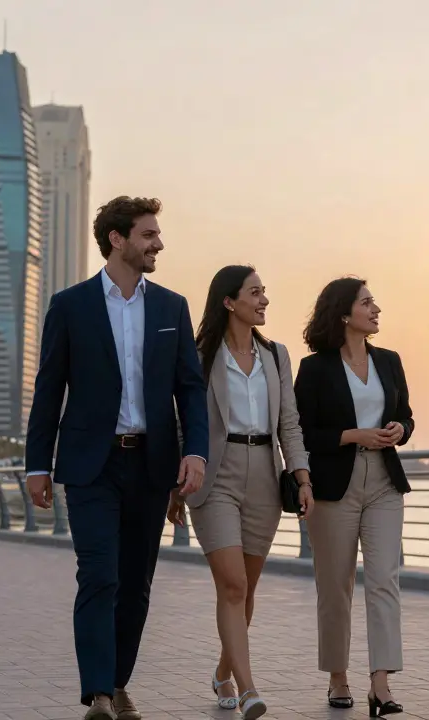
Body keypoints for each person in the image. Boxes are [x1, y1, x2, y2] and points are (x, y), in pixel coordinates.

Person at [24, 196, 209, 720]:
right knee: (99, 575)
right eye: (149, 234)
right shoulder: (71, 305)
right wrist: (38, 463)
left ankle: (118, 680)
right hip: (91, 464)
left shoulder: (172, 307)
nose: (159, 244)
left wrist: (195, 451)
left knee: (136, 585)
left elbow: (190, 390)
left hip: (151, 465)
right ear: (117, 239)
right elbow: (48, 389)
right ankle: (100, 694)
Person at [167, 265, 313, 719]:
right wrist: (176, 483)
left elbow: (289, 420)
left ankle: (223, 670)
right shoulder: (199, 354)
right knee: (231, 583)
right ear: (230, 302)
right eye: (255, 292)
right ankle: (248, 688)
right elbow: (182, 419)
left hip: (266, 476)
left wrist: (302, 476)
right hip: (216, 472)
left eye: (264, 291)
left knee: (246, 589)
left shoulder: (276, 355)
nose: (264, 299)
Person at [293, 277, 414, 717]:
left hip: (385, 480)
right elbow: (301, 432)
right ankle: (337, 676)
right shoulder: (315, 368)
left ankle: (380, 684)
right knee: (335, 585)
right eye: (367, 302)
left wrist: (400, 429)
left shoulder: (390, 360)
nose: (376, 308)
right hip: (333, 485)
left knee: (384, 579)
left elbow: (406, 415)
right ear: (345, 314)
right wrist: (353, 435)